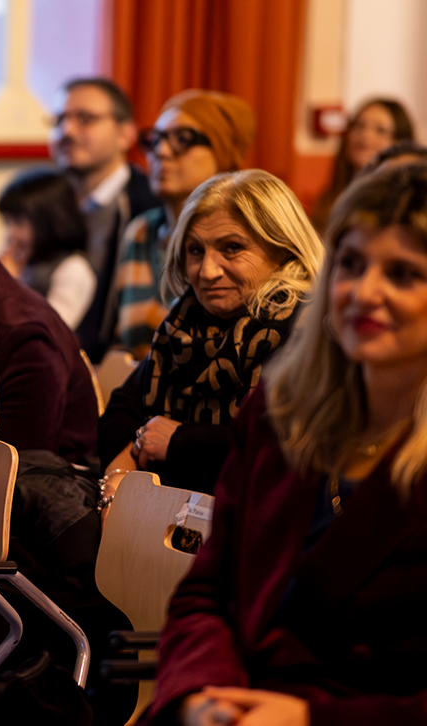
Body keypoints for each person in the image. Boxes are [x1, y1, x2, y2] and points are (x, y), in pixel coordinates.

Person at [146, 163, 427, 726]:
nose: (364, 293)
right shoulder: (279, 413)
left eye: (402, 274)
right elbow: (207, 594)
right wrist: (202, 695)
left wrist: (306, 719)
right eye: (351, 264)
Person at [98, 170, 322, 507]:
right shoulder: (185, 320)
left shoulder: (306, 328)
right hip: (163, 517)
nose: (207, 271)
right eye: (195, 251)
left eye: (232, 248)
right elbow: (122, 410)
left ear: (283, 251)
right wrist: (118, 485)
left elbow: (285, 446)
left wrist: (179, 442)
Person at [113, 89, 256, 359]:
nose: (161, 152)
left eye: (182, 139)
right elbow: (123, 340)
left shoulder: (248, 236)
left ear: (222, 152)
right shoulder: (141, 231)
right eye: (156, 139)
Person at [49, 77, 160, 360]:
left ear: (126, 134)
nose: (67, 130)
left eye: (85, 119)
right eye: (59, 119)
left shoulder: (150, 208)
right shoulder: (42, 203)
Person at [0, 167, 97, 330]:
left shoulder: (73, 269)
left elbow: (51, 332)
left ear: (50, 222)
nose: (10, 234)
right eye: (7, 222)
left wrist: (10, 285)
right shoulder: (21, 260)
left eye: (18, 222)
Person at [311, 98, 415, 232]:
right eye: (359, 125)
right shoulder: (329, 198)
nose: (365, 135)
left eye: (380, 130)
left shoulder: (403, 205)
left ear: (400, 145)